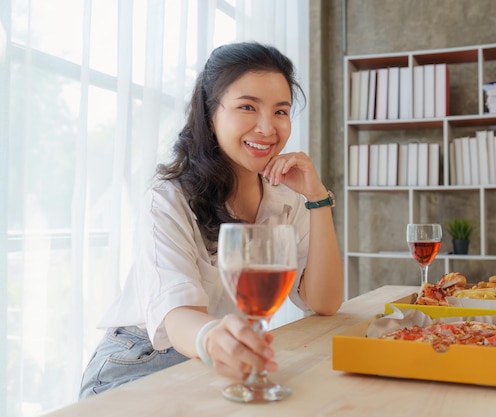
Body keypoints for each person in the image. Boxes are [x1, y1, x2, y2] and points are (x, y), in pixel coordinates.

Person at [79, 41, 344, 399]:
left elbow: (324, 302)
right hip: (142, 362)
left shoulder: (286, 196)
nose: (267, 128)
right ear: (209, 114)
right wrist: (215, 338)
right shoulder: (169, 195)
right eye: (247, 107)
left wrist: (317, 198)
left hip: (218, 364)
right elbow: (177, 317)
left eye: (281, 112)